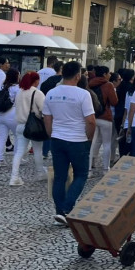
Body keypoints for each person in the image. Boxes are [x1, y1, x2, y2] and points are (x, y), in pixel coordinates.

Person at [42, 61, 96, 225]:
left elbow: (47, 118)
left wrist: (52, 135)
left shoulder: (51, 93)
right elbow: (91, 121)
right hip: (77, 139)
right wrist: (89, 137)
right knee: (81, 174)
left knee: (60, 177)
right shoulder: (83, 94)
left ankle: (60, 212)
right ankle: (67, 207)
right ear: (78, 75)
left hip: (57, 138)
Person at [9, 71, 46, 186]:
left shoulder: (19, 92)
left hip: (20, 125)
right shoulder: (37, 93)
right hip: (33, 126)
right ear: (36, 81)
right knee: (38, 151)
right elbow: (44, 110)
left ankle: (14, 177)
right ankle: (40, 173)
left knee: (19, 151)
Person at [89, 66, 118, 173]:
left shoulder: (90, 84)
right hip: (105, 116)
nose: (110, 75)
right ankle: (106, 168)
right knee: (106, 143)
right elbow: (114, 102)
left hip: (92, 115)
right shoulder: (108, 85)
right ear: (105, 74)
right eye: (109, 73)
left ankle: (89, 168)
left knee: (93, 142)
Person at [0, 69, 21, 168]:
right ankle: (17, 159)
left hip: (0, 115)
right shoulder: (17, 88)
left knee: (2, 138)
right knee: (17, 136)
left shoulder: (2, 86)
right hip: (12, 114)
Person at [114, 68, 135, 159]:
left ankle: (121, 156)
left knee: (121, 139)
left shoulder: (119, 86)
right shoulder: (131, 89)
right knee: (128, 141)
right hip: (126, 115)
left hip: (118, 113)